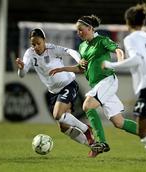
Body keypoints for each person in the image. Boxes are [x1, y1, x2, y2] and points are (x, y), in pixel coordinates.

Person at [49, 15, 138, 157]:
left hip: (107, 80)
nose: (78, 33)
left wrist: (120, 60)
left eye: (81, 29)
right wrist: (62, 69)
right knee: (118, 122)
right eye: (77, 30)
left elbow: (118, 50)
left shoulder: (101, 40)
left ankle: (101, 143)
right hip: (98, 85)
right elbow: (81, 68)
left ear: (90, 28)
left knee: (87, 106)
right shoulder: (82, 47)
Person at [102, 3, 146, 171]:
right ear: (143, 21)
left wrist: (111, 65)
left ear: (127, 22)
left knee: (143, 131)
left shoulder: (131, 38)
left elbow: (137, 60)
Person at [15, 28, 96, 157]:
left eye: (38, 43)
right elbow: (22, 74)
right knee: (63, 128)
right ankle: (93, 145)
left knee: (57, 114)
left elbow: (71, 51)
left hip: (68, 85)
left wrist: (79, 60)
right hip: (53, 92)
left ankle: (86, 129)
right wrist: (21, 68)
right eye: (33, 44)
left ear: (44, 40)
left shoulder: (52, 49)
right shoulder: (30, 53)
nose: (36, 46)